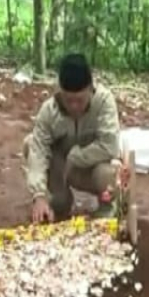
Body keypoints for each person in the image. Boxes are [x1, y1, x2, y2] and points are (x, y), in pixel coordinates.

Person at [24, 53, 121, 223]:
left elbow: (109, 146)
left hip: (89, 169)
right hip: (61, 169)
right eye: (69, 100)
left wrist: (76, 157)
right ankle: (60, 202)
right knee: (30, 143)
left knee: (109, 174)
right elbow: (38, 151)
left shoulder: (104, 102)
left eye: (80, 100)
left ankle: (107, 209)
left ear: (91, 89)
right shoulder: (49, 110)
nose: (74, 106)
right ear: (60, 91)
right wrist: (38, 195)